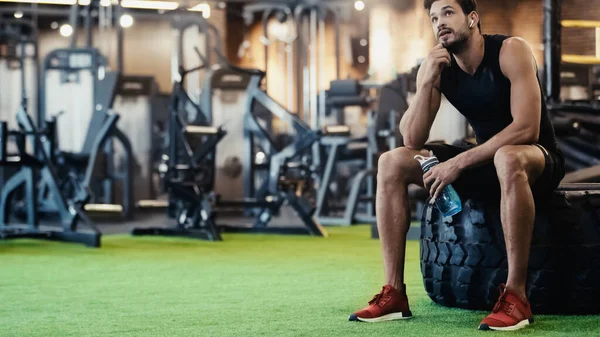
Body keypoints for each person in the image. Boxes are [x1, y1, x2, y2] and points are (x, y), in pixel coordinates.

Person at [348, 0, 565, 331]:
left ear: (473, 18)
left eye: (448, 13)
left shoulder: (510, 51)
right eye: (434, 18)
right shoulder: (441, 66)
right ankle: (394, 293)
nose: (440, 23)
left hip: (535, 157)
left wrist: (459, 162)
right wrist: (425, 83)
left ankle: (516, 296)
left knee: (507, 156)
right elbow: (411, 138)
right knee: (392, 161)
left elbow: (526, 129)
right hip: (487, 160)